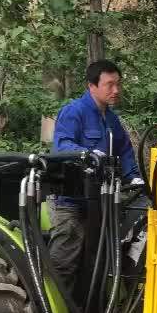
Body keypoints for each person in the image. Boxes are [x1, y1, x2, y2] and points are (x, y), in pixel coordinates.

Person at [49, 59, 143, 298]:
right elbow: (62, 146)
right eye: (109, 85)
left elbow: (124, 152)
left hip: (100, 204)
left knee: (97, 261)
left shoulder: (111, 120)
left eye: (118, 84)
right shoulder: (74, 112)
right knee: (64, 261)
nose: (116, 90)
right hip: (71, 202)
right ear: (92, 86)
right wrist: (88, 154)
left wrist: (134, 178)